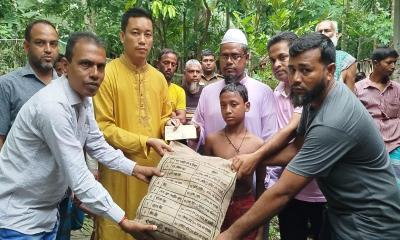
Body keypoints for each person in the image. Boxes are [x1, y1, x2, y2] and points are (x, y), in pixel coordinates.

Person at [217, 33, 400, 240]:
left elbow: (283, 192)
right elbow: (297, 147)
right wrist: (255, 159)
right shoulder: (314, 99)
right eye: (293, 69)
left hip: (370, 223)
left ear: (329, 70)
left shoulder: (333, 120)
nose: (295, 79)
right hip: (341, 213)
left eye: (305, 70)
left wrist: (229, 235)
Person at [0, 32, 161, 239]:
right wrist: (123, 220)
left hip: (46, 216)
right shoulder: (53, 107)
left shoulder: (84, 98)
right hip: (17, 221)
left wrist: (135, 169)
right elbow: (79, 177)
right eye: (86, 65)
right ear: (66, 66)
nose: (95, 73)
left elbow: (97, 144)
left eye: (100, 66)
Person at [93, 7, 178, 240]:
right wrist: (145, 140)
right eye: (135, 33)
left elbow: (163, 116)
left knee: (150, 228)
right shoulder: (107, 74)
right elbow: (104, 127)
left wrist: (170, 123)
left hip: (152, 172)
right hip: (117, 171)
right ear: (122, 36)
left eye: (148, 34)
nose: (142, 40)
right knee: (115, 228)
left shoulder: (159, 78)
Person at [265, 32, 326, 240]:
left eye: (282, 57)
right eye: (273, 59)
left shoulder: (312, 92)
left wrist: (256, 157)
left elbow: (291, 130)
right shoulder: (277, 92)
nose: (276, 64)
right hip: (290, 188)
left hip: (321, 188)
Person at [192, 28, 278, 151]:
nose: (229, 62)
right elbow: (199, 129)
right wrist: (195, 131)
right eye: (224, 56)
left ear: (247, 58)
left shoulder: (263, 92)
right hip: (214, 168)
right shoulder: (208, 92)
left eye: (235, 56)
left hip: (251, 168)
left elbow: (270, 138)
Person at [205, 83, 263, 240]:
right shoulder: (212, 140)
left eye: (234, 104)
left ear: (247, 106)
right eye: (223, 105)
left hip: (246, 208)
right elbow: (206, 181)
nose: (227, 110)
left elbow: (260, 187)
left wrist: (261, 227)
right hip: (218, 209)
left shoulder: (258, 144)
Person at [0, 19, 59, 149]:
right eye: (40, 43)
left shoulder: (66, 85)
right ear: (27, 47)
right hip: (18, 168)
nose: (48, 49)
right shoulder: (7, 85)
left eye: (53, 44)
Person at [355, 47, 400, 187]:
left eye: (395, 62)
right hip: (369, 148)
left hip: (395, 147)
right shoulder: (358, 89)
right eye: (389, 62)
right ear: (375, 63)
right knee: (373, 187)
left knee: (396, 187)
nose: (393, 66)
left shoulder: (397, 89)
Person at [316, 20, 356, 90]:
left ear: (336, 35)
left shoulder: (347, 60)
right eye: (320, 32)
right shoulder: (307, 58)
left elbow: (350, 95)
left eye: (327, 31)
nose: (323, 34)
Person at [157, 48, 186, 124]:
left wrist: (165, 118)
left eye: (173, 64)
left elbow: (182, 119)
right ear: (158, 64)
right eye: (166, 63)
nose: (169, 67)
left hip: (170, 133)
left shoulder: (179, 91)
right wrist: (172, 114)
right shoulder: (148, 87)